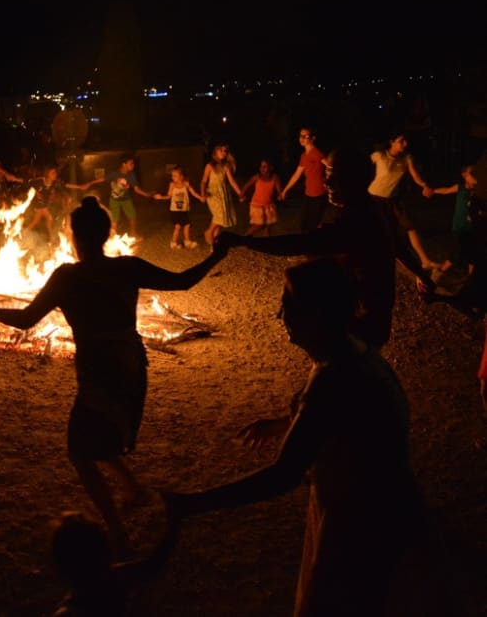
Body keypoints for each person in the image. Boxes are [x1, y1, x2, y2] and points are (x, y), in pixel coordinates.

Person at [163, 257, 453, 617]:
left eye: (287, 305)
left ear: (315, 314)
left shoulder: (335, 376)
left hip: (363, 523)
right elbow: (348, 417)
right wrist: (287, 421)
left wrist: (193, 503)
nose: (279, 315)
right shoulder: (352, 354)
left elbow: (284, 474)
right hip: (373, 509)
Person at [0, 196, 226, 554]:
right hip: (132, 363)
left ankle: (118, 532)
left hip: (100, 367)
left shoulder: (67, 276)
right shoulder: (127, 267)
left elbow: (25, 320)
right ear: (106, 233)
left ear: (72, 237)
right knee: (97, 436)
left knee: (80, 450)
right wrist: (217, 255)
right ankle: (132, 490)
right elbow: (182, 281)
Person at [218, 145, 435, 350]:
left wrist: (244, 241)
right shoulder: (377, 206)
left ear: (353, 180)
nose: (326, 182)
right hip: (374, 317)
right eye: (327, 174)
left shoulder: (356, 221)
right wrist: (421, 275)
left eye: (333, 176)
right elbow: (398, 245)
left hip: (361, 321)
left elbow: (299, 244)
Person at [50, 510, 179, 617]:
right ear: (106, 552)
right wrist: (174, 523)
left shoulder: (69, 613)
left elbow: (152, 564)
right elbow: (153, 564)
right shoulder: (116, 578)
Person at [367, 131, 446, 271]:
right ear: (392, 141)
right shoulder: (379, 155)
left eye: (405, 141)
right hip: (375, 197)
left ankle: (425, 261)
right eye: (401, 141)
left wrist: (424, 185)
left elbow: (415, 175)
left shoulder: (406, 158)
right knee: (377, 229)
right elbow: (362, 166)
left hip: (393, 200)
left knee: (410, 227)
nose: (405, 143)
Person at [24, 163, 97, 242]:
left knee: (42, 220)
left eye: (55, 173)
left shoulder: (55, 182)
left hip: (44, 204)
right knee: (47, 219)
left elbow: (66, 185)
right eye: (53, 173)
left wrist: (79, 187)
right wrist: (35, 192)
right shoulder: (40, 180)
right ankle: (49, 236)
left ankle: (29, 232)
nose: (55, 175)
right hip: (38, 204)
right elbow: (28, 183)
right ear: (47, 174)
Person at [280, 127, 330, 233]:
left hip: (319, 194)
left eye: (305, 136)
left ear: (312, 138)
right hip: (309, 194)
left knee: (312, 225)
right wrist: (285, 190)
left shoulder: (317, 153)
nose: (301, 138)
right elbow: (296, 175)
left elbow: (331, 167)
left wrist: (331, 183)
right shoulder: (304, 155)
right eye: (300, 136)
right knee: (304, 224)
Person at [104, 153, 155, 239]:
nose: (133, 165)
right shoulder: (114, 174)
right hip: (114, 200)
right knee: (114, 219)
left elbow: (136, 188)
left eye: (133, 163)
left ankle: (133, 233)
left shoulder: (131, 175)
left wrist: (146, 194)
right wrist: (88, 184)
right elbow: (103, 179)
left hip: (126, 199)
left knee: (132, 216)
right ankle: (111, 237)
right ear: (124, 164)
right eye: (131, 163)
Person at [200, 144, 243, 247]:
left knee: (223, 219)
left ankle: (215, 243)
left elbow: (232, 181)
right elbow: (203, 181)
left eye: (225, 151)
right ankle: (209, 232)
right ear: (215, 153)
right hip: (213, 194)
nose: (224, 153)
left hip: (224, 194)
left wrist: (240, 193)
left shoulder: (226, 166)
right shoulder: (210, 166)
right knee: (219, 216)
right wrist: (202, 194)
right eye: (221, 151)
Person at [156, 165, 204, 249]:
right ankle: (173, 243)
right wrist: (161, 197)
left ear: (181, 176)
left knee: (186, 225)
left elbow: (193, 193)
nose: (172, 177)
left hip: (184, 209)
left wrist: (200, 197)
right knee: (178, 226)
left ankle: (187, 241)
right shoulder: (172, 185)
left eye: (175, 175)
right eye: (172, 175)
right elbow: (169, 196)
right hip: (175, 210)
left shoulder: (186, 184)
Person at [239, 159, 283, 237]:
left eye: (265, 166)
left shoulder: (275, 178)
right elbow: (247, 185)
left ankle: (266, 244)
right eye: (261, 166)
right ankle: (245, 236)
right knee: (259, 225)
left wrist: (280, 195)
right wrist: (242, 194)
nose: (262, 168)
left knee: (267, 226)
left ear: (271, 168)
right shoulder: (257, 177)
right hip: (257, 205)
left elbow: (279, 190)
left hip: (269, 205)